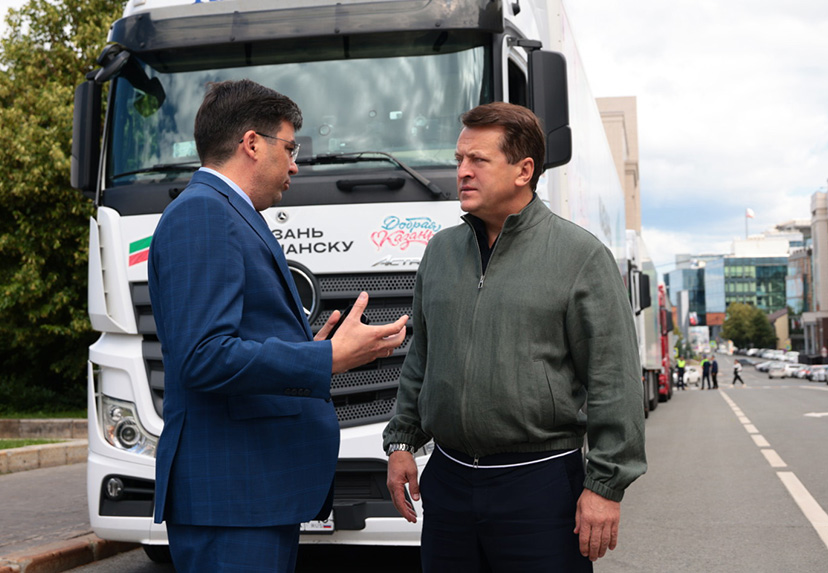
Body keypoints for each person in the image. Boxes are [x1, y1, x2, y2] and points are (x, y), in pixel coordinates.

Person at [148, 79, 408, 572]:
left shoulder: (225, 211)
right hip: (233, 499)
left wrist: (307, 349)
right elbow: (203, 357)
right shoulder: (204, 213)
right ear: (251, 144)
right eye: (289, 148)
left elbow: (228, 341)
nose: (295, 165)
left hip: (250, 496)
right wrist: (326, 358)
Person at [383, 102, 646, 572]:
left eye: (478, 160)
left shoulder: (580, 256)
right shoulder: (440, 252)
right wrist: (402, 441)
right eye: (459, 159)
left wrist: (605, 487)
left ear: (524, 170)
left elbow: (614, 380)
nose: (462, 171)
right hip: (448, 484)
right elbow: (422, 358)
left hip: (540, 488)